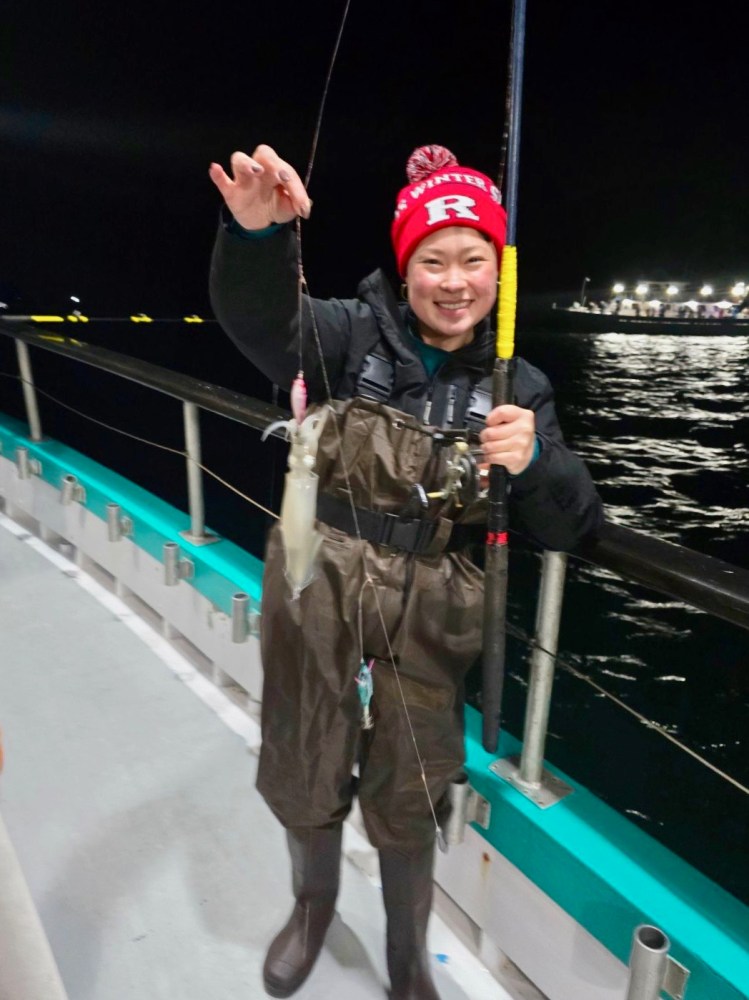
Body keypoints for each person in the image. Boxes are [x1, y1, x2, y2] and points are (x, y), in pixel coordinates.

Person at [209, 143, 603, 1000]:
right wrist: (251, 240)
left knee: (414, 776)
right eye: (433, 260)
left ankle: (404, 956)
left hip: (435, 601)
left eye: (473, 261)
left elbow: (572, 526)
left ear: (496, 274)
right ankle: (312, 907)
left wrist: (537, 464)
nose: (453, 281)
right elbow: (259, 321)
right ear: (406, 265)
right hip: (321, 575)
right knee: (306, 741)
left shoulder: (518, 383)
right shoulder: (347, 336)